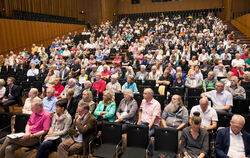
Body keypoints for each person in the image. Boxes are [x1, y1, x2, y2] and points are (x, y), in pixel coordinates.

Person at [137, 88, 161, 155]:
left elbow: (154, 118)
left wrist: (148, 127)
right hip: (143, 122)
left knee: (146, 134)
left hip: (153, 125)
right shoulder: (143, 101)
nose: (143, 95)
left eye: (145, 93)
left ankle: (151, 153)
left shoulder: (156, 104)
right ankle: (139, 150)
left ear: (150, 95)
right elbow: (140, 110)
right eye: (143, 93)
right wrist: (139, 120)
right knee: (135, 132)